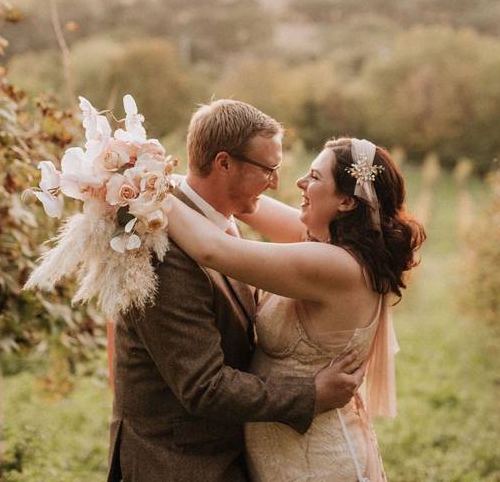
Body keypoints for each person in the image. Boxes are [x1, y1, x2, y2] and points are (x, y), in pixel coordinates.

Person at [107, 100, 365, 482]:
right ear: (224, 163)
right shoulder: (166, 252)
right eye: (268, 169)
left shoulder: (218, 220)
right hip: (179, 464)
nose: (277, 182)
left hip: (225, 453)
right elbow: (204, 386)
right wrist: (310, 394)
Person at [166, 136, 425, 481]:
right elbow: (246, 202)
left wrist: (144, 192)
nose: (300, 182)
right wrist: (147, 168)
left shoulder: (336, 265)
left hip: (319, 464)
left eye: (315, 178)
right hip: (284, 457)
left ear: (346, 200)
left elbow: (212, 249)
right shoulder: (325, 241)